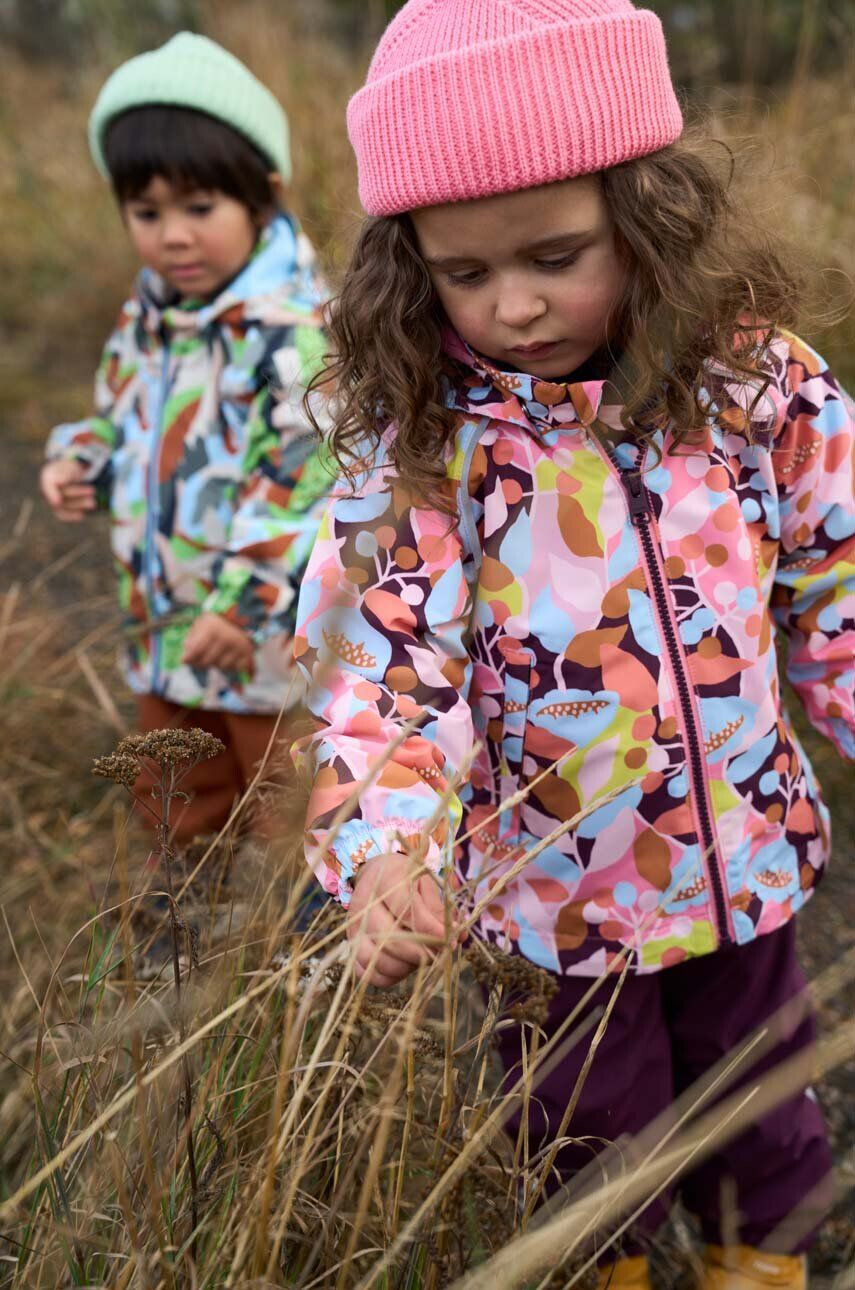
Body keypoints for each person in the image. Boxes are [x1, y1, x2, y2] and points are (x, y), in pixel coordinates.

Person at [292, 1, 854, 1286]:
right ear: (408, 261)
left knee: (764, 1115)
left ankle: (759, 1267)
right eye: (464, 273)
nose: (516, 306)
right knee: (587, 1143)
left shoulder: (757, 393)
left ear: (652, 216)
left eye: (556, 254)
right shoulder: (430, 456)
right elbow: (375, 666)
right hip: (552, 908)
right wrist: (381, 844)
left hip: (742, 864)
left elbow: (842, 580)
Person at [41, 33, 333, 848]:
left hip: (257, 626)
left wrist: (242, 606)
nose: (173, 236)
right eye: (147, 212)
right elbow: (121, 417)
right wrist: (82, 461)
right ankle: (191, 904)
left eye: (199, 208)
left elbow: (302, 478)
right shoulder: (149, 319)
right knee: (174, 774)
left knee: (276, 783)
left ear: (263, 198)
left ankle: (286, 927)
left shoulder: (290, 335)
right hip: (160, 612)